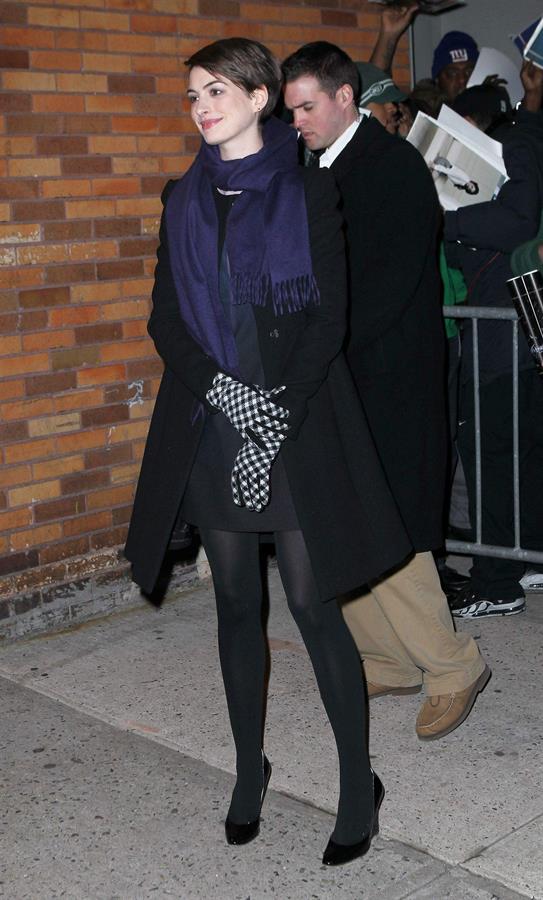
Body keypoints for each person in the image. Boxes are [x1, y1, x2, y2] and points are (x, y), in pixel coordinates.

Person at [125, 37, 413, 867]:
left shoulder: (310, 189)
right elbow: (165, 321)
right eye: (191, 95)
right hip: (214, 421)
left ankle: (357, 782)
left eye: (216, 90)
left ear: (260, 98)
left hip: (295, 419)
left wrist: (272, 409)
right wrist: (227, 397)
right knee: (234, 608)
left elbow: (328, 317)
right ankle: (248, 770)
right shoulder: (182, 198)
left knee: (312, 605)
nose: (201, 106)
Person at [282, 41, 490, 742]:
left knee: (391, 529)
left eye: (307, 107)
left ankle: (452, 666)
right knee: (347, 521)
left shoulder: (390, 165)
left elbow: (385, 286)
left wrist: (319, 347)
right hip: (343, 377)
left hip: (385, 382)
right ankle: (386, 657)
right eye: (291, 110)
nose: (297, 121)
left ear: (347, 98)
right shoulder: (320, 169)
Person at [443, 70, 543, 619]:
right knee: (518, 450)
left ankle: (497, 579)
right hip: (509, 319)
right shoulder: (522, 143)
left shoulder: (514, 145)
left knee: (491, 452)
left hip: (501, 323)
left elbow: (516, 222)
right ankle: (522, 561)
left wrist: (448, 221)